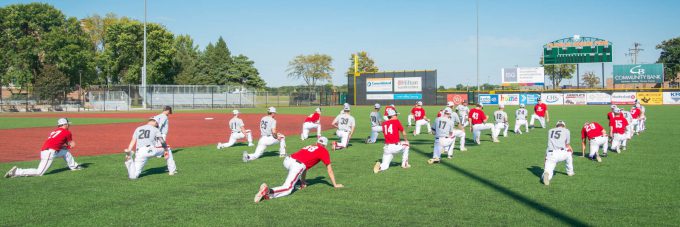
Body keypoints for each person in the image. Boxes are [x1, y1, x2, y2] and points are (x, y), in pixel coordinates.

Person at [253, 137, 343, 203]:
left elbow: (305, 167)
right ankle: (268, 191)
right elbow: (329, 170)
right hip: (297, 165)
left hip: (288, 160)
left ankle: (269, 194)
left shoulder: (310, 146)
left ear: (317, 142)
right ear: (325, 145)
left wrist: (303, 182)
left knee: (301, 167)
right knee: (288, 188)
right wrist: (335, 184)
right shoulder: (323, 150)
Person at [5, 118, 82, 178]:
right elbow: (72, 144)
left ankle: (74, 166)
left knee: (65, 152)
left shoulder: (55, 131)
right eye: (68, 124)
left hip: (47, 150)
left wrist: (64, 147)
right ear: (64, 124)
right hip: (50, 153)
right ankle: (16, 172)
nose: (69, 125)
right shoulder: (67, 132)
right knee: (39, 172)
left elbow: (55, 142)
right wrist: (68, 146)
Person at [373, 108, 410, 173]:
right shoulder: (396, 121)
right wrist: (406, 140)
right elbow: (403, 132)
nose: (397, 116)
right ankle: (404, 164)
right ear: (392, 115)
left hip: (387, 147)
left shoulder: (384, 123)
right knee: (406, 145)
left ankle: (380, 167)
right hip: (394, 146)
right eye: (396, 115)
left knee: (385, 165)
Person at [541, 120, 574, 186]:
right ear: (564, 126)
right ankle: (570, 172)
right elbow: (567, 144)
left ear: (556, 126)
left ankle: (546, 174)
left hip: (551, 153)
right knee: (569, 153)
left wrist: (545, 159)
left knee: (548, 170)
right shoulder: (566, 130)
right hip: (562, 153)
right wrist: (571, 149)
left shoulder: (550, 131)